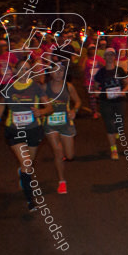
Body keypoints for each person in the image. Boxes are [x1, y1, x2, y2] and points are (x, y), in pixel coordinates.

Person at [0, 57, 53, 214]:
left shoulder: (36, 87)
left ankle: (23, 173)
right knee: (27, 163)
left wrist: (41, 111)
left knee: (28, 164)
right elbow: (1, 104)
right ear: (15, 72)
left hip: (33, 129)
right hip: (14, 129)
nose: (24, 72)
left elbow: (49, 107)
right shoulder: (9, 87)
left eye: (26, 69)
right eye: (20, 69)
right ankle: (30, 200)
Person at [43, 59, 81, 194]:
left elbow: (77, 101)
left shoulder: (68, 86)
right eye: (56, 70)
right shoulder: (44, 88)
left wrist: (74, 111)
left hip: (66, 124)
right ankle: (61, 181)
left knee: (69, 155)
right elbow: (37, 103)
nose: (59, 73)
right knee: (58, 153)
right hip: (50, 124)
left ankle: (64, 157)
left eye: (62, 71)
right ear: (50, 72)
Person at [92, 48, 128, 160]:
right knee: (109, 124)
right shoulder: (101, 72)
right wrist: (98, 93)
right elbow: (95, 87)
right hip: (106, 101)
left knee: (120, 121)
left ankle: (118, 129)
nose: (110, 57)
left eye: (112, 55)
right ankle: (113, 149)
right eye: (107, 55)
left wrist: (124, 91)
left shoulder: (119, 70)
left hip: (119, 101)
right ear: (104, 57)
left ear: (115, 57)